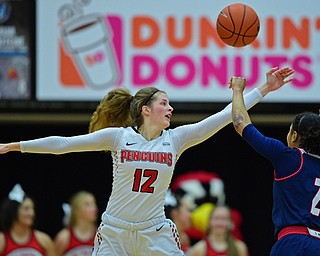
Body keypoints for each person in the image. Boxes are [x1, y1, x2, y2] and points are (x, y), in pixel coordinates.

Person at [0, 66, 293, 255]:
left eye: (169, 103)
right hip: (114, 231)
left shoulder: (176, 140)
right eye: (164, 103)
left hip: (155, 232)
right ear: (145, 110)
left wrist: (265, 88)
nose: (171, 108)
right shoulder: (118, 137)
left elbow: (222, 116)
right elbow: (63, 145)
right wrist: (13, 146)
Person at [230, 71, 320, 255]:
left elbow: (240, 122)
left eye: (289, 131)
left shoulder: (290, 158)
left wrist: (237, 91)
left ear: (294, 135)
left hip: (293, 243)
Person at [0, 184, 56, 256]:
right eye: (26, 209)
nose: (32, 213)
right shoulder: (2, 241)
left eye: (33, 209)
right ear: (13, 211)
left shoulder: (44, 240)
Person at [54, 190, 98, 256]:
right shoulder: (64, 237)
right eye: (87, 204)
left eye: (94, 204)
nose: (94, 208)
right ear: (76, 210)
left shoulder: (100, 236)